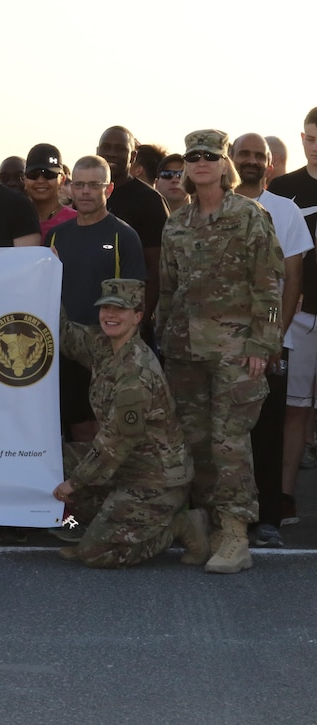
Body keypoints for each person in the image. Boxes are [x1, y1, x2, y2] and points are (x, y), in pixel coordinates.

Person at [157, 129, 284, 574]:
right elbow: (168, 291)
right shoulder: (176, 222)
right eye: (193, 157)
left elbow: (269, 287)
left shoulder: (250, 216)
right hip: (185, 353)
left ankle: (235, 534)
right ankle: (209, 529)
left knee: (230, 444)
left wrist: (263, 344)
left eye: (210, 156)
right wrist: (163, 341)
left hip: (235, 351)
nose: (201, 163)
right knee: (197, 444)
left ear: (224, 164)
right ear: (187, 167)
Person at [52, 278, 205, 568]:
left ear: (137, 316)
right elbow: (64, 334)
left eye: (120, 310)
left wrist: (75, 483)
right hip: (126, 467)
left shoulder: (136, 373)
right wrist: (49, 278)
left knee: (95, 554)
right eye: (106, 307)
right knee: (55, 460)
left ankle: (179, 527)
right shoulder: (103, 345)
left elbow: (114, 442)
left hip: (155, 479)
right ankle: (100, 530)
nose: (110, 315)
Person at [231, 133, 312, 548]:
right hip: (220, 345)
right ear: (231, 158)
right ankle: (222, 519)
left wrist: (274, 340)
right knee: (222, 435)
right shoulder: (211, 208)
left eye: (258, 156)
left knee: (266, 431)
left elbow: (292, 280)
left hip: (269, 344)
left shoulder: (286, 211)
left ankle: (266, 521)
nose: (250, 161)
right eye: (243, 154)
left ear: (270, 164)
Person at [49, 155, 146, 445]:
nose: (86, 192)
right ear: (69, 187)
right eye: (79, 185)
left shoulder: (123, 236)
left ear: (109, 188)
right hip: (65, 350)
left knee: (107, 430)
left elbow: (135, 298)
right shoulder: (56, 236)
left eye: (94, 185)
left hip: (107, 350)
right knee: (77, 427)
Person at [268, 108, 317, 527]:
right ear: (302, 139)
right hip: (299, 316)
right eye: (312, 139)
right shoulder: (283, 189)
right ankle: (283, 497)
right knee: (295, 410)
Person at [96, 126, 169, 340]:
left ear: (133, 156)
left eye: (119, 148)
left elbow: (155, 271)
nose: (111, 153)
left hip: (129, 324)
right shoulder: (86, 196)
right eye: (106, 147)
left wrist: (140, 321)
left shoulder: (150, 201)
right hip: (87, 322)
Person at [24, 143, 77, 237]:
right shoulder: (12, 221)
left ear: (62, 180)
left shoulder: (77, 221)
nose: (40, 181)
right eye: (33, 175)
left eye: (49, 175)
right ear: (24, 179)